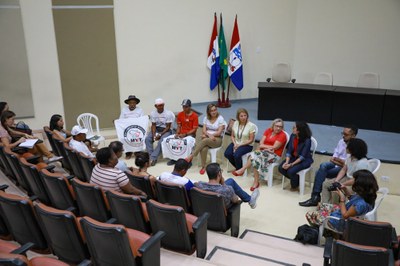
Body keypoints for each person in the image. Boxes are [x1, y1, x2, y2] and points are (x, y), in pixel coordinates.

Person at [299, 125, 358, 207]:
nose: (343, 136)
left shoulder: (356, 146)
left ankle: (315, 197)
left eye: (346, 134)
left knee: (319, 172)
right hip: (336, 164)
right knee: (323, 166)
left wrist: (340, 161)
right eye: (342, 133)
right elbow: (334, 156)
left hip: (344, 169)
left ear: (353, 135)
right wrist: (338, 161)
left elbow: (348, 165)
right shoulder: (341, 141)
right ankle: (316, 197)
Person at [306, 169, 377, 232]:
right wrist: (345, 189)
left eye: (354, 179)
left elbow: (345, 216)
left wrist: (342, 200)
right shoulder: (367, 196)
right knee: (320, 205)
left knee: (309, 214)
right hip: (344, 214)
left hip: (339, 222)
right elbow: (352, 199)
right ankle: (322, 227)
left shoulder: (360, 204)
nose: (352, 181)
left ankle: (326, 230)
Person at [233, 118, 287, 191]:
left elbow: (275, 147)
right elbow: (261, 143)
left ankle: (243, 170)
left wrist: (263, 147)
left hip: (274, 155)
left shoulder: (282, 135)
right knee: (256, 158)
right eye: (276, 126)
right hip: (263, 152)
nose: (278, 128)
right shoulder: (268, 130)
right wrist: (265, 147)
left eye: (280, 127)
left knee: (255, 155)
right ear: (273, 125)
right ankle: (255, 181)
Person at [321, 138, 372, 204]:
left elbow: (356, 179)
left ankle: (336, 209)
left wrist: (341, 184)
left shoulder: (362, 163)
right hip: (348, 179)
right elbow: (344, 169)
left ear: (353, 149)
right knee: (326, 184)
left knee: (337, 190)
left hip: (358, 184)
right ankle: (325, 206)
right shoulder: (349, 157)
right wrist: (336, 181)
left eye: (348, 146)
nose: (346, 148)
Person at [195, 163, 260, 209]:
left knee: (230, 181)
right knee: (230, 183)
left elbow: (195, 184)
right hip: (222, 214)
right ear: (219, 174)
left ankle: (250, 200)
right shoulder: (227, 189)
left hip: (207, 211)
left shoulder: (200, 185)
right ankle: (250, 200)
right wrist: (223, 184)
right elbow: (236, 200)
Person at [186, 104, 226, 175]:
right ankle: (203, 167)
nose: (214, 112)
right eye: (211, 111)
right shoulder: (206, 118)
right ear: (208, 112)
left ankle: (192, 155)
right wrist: (209, 135)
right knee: (204, 148)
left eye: (215, 110)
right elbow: (204, 130)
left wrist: (209, 136)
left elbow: (219, 132)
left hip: (217, 140)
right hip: (209, 138)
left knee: (204, 140)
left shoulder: (220, 118)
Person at [278, 121, 313, 191]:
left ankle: (295, 185)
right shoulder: (292, 136)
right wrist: (287, 162)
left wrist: (291, 165)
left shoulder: (307, 140)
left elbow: (302, 157)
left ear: (299, 131)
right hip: (293, 158)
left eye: (294, 128)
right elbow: (289, 150)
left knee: (290, 171)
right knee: (281, 168)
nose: (292, 129)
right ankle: (296, 179)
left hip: (304, 160)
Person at [164, 99, 198, 166]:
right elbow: (179, 126)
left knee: (187, 143)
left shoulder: (195, 116)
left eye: (186, 107)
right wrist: (177, 134)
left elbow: (194, 129)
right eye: (183, 107)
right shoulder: (180, 114)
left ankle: (188, 161)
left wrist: (185, 134)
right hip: (181, 134)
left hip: (190, 135)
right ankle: (174, 158)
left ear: (190, 107)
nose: (184, 108)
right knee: (170, 141)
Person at [145, 98, 175, 166]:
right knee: (147, 139)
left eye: (162, 105)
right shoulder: (153, 113)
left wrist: (160, 135)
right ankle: (151, 157)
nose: (161, 107)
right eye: (159, 105)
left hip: (166, 130)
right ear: (155, 106)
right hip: (157, 129)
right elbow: (153, 125)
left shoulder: (168, 113)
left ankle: (152, 158)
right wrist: (153, 135)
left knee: (162, 141)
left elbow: (168, 127)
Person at [119, 95, 145, 159]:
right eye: (130, 102)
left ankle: (137, 152)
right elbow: (121, 119)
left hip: (136, 128)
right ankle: (128, 152)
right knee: (123, 138)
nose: (132, 104)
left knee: (139, 137)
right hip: (126, 128)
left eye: (134, 102)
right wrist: (116, 122)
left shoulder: (140, 110)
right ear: (128, 103)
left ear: (136, 103)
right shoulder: (124, 110)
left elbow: (142, 120)